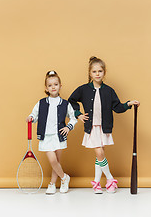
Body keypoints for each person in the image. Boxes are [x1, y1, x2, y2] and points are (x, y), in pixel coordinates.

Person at [68, 56, 140, 194]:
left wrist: (129, 104)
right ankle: (110, 179)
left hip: (104, 127)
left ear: (104, 72)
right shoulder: (83, 89)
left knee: (99, 156)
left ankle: (96, 184)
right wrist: (78, 114)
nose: (97, 74)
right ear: (90, 73)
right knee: (99, 152)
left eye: (100, 71)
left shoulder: (109, 90)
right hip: (92, 127)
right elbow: (71, 101)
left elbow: (117, 107)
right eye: (94, 71)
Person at [26, 70, 77, 194]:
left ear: (60, 85)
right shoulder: (41, 103)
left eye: (55, 84)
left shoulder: (65, 103)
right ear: (46, 88)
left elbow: (73, 117)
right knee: (53, 161)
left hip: (59, 136)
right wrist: (31, 118)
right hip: (46, 137)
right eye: (50, 85)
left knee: (57, 162)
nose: (53, 87)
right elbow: (34, 115)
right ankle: (65, 178)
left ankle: (52, 184)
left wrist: (68, 127)